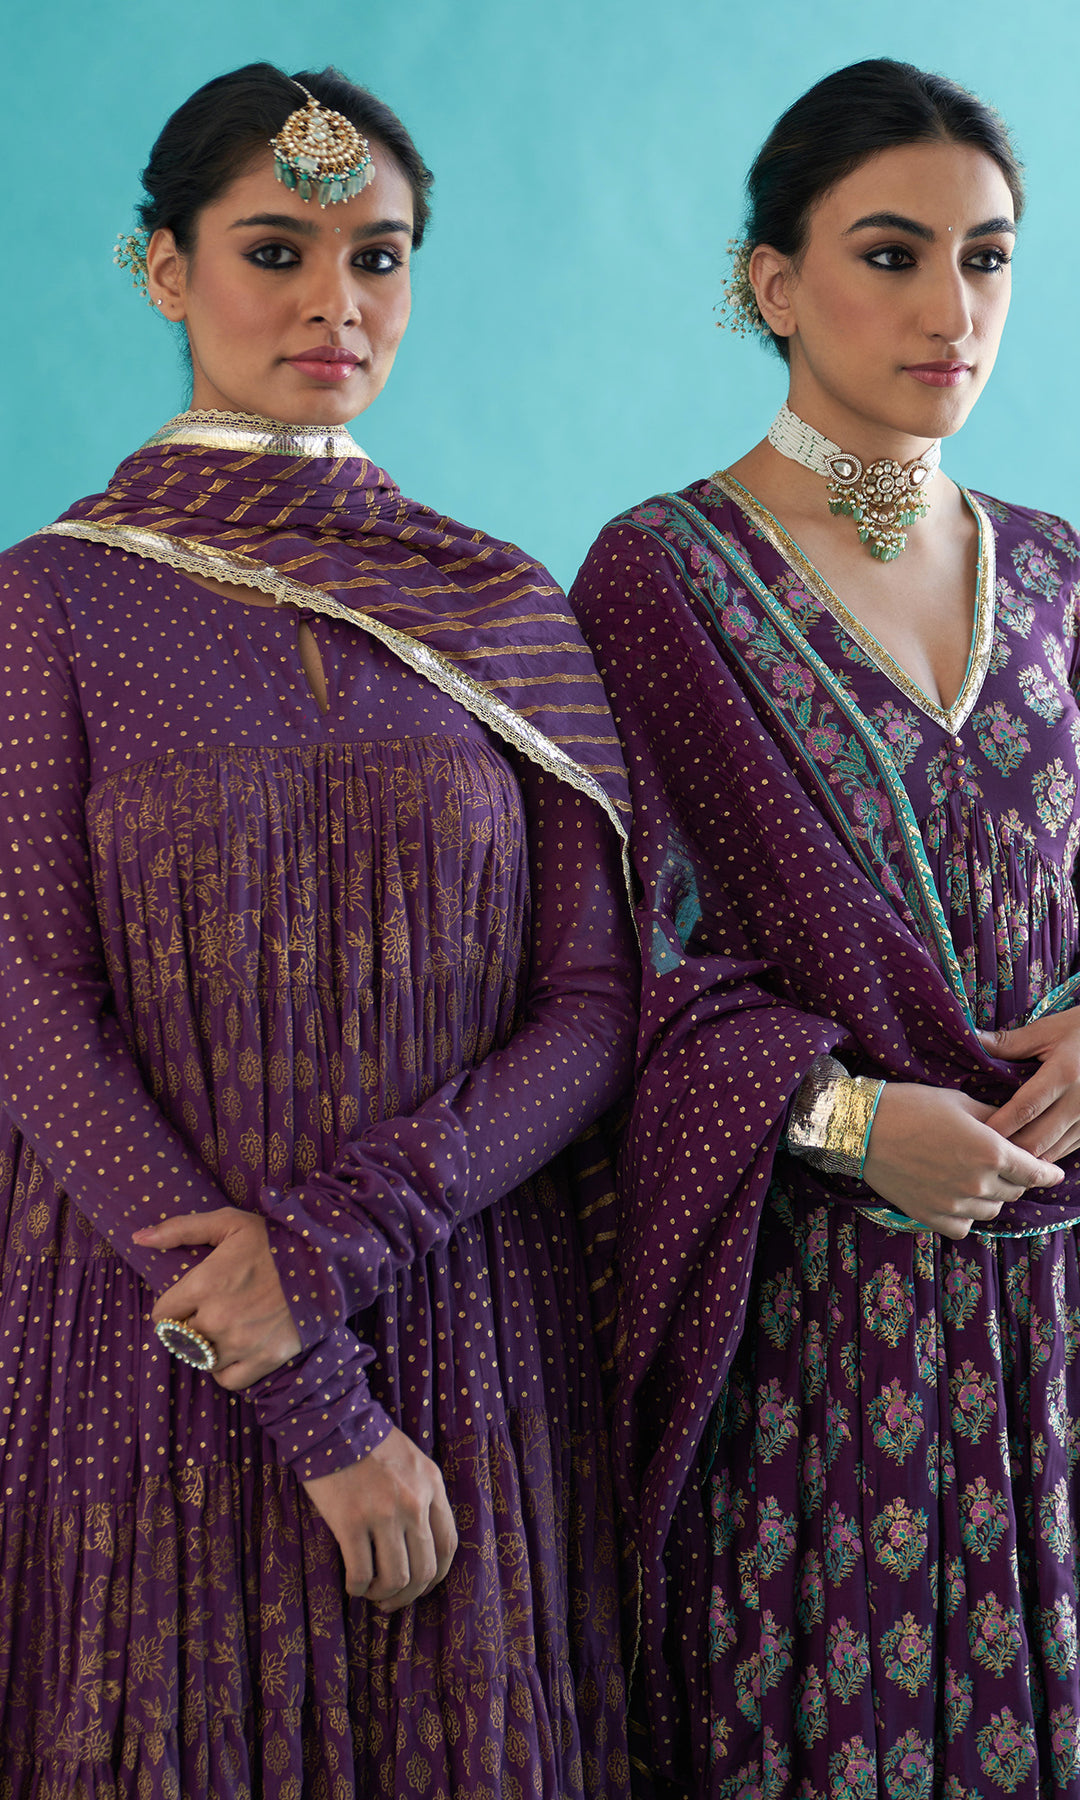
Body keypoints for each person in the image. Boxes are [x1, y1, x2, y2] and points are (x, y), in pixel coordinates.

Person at [0, 62, 637, 1798]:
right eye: (275, 250)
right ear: (165, 268)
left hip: (465, 1311)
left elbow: (595, 1004)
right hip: (161, 1331)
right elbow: (28, 996)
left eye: (380, 256)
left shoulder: (500, 605)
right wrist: (296, 1373)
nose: (334, 303)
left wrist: (336, 1249)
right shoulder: (51, 601)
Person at [571, 57, 1080, 1800]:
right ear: (772, 284)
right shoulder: (661, 578)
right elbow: (624, 968)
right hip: (819, 1326)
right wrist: (858, 1121)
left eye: (988, 257)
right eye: (891, 254)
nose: (953, 308)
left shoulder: (1061, 575)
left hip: (1060, 1310)